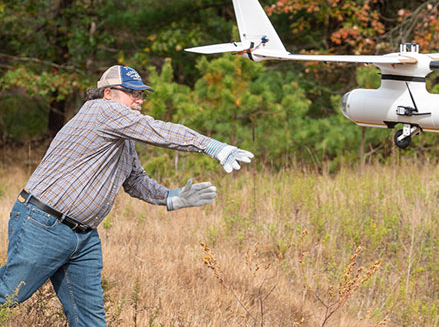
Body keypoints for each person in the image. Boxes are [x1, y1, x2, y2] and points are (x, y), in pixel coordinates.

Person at [0, 65, 253, 326]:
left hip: (84, 236)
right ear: (108, 93)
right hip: (45, 224)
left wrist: (171, 198)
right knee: (9, 292)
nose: (139, 100)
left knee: (90, 320)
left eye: (142, 94)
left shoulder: (122, 135)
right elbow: (157, 130)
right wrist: (212, 146)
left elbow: (135, 180)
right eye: (131, 92)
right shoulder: (101, 110)